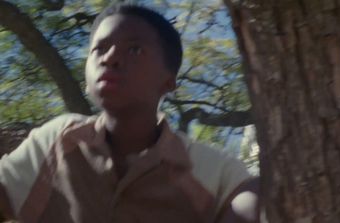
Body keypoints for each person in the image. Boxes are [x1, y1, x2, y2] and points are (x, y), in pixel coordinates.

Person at [0, 3, 258, 223]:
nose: (110, 58)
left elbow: (252, 202)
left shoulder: (215, 170)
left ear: (169, 81)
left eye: (134, 50)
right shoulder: (57, 140)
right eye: (99, 49)